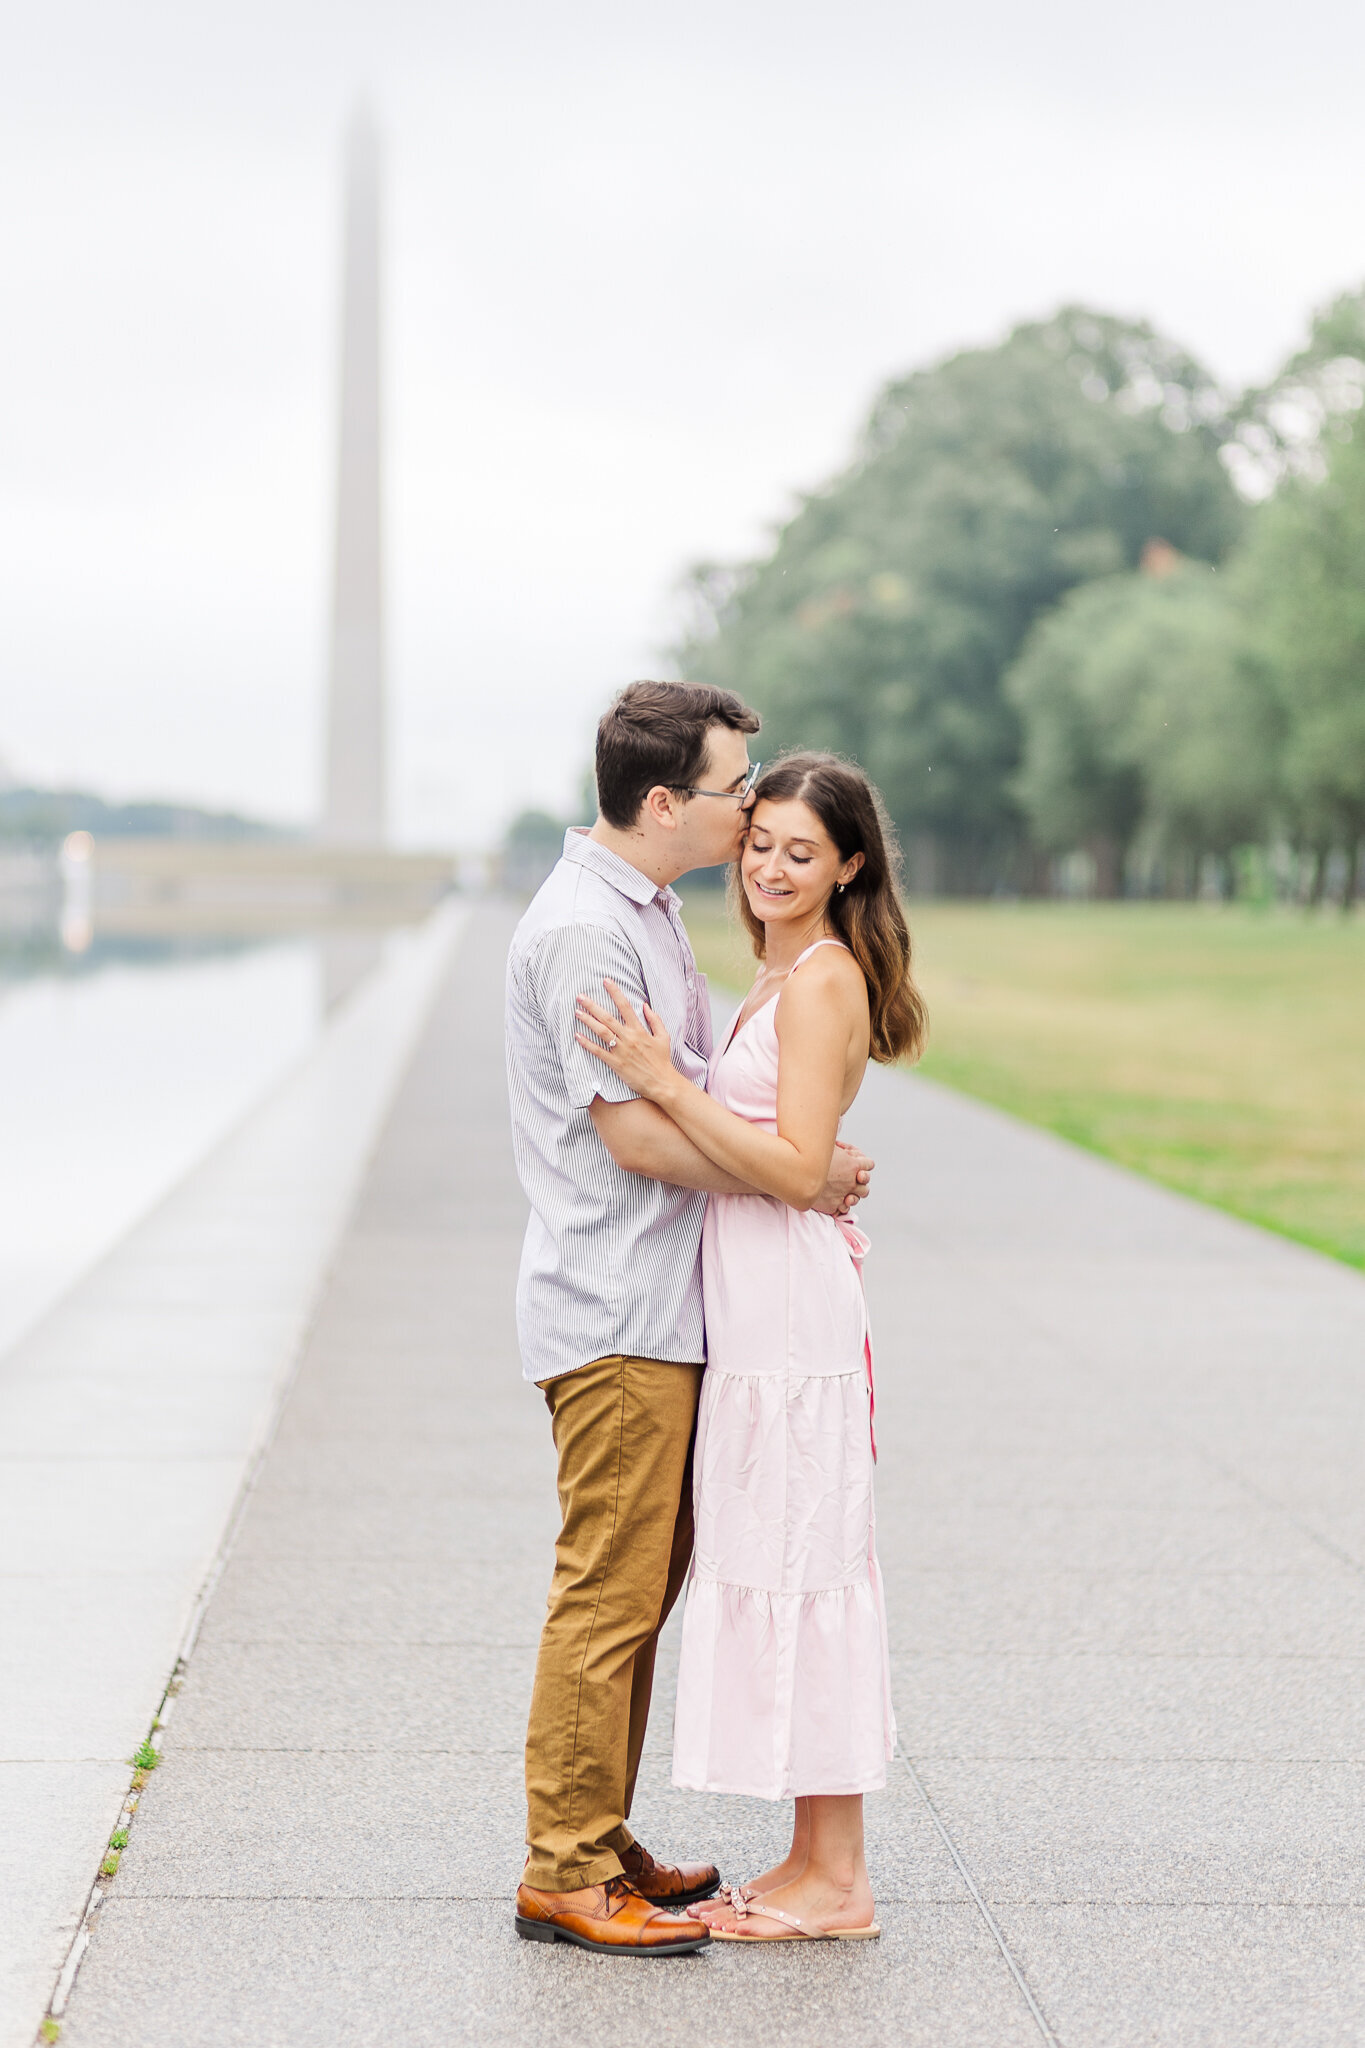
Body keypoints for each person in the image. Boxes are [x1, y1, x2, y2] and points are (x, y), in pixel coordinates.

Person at [506, 688, 876, 1957]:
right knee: (608, 1592)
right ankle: (565, 1865)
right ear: (666, 802)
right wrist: (801, 1171)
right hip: (617, 1307)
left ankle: (598, 1835)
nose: (749, 807)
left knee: (642, 1585)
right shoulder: (584, 935)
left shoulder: (651, 916)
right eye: (736, 789)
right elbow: (636, 1129)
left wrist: (798, 1160)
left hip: (673, 1307)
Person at [575, 751, 926, 1945]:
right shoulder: (778, 972)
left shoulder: (824, 977)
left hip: (792, 1317)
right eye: (762, 839)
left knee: (809, 1565)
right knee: (786, 1560)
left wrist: (654, 1081)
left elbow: (792, 1170)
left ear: (849, 866)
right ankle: (810, 1856)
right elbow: (794, 1158)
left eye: (803, 851)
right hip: (758, 1310)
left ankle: (843, 1881)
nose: (772, 866)